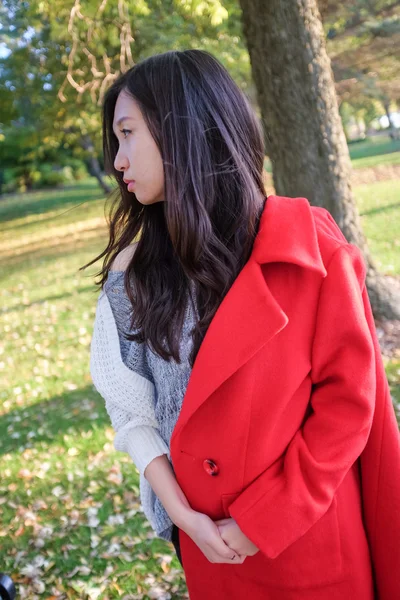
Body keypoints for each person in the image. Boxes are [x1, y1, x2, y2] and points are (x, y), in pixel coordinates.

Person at [85, 49, 400, 599]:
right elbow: (131, 408)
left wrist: (261, 521)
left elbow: (349, 404)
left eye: (128, 133)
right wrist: (186, 518)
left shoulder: (308, 246)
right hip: (212, 553)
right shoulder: (132, 275)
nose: (118, 160)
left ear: (181, 128)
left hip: (308, 543)